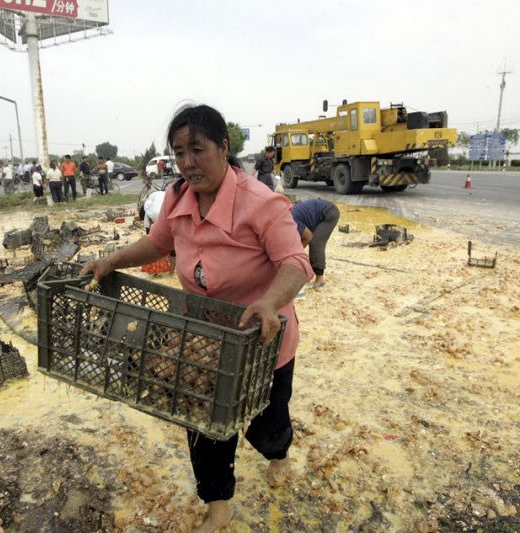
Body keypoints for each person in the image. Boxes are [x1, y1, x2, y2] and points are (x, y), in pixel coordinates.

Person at [81, 104, 313, 531]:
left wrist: (269, 302)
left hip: (261, 338)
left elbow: (296, 262)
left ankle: (277, 453)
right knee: (203, 423)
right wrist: (111, 260)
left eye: (198, 150)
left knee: (266, 423)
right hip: (202, 337)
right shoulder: (177, 198)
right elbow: (158, 244)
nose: (188, 162)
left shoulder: (261, 202)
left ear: (223, 148)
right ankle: (218, 507)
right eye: (179, 152)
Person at [290, 198, 340, 288]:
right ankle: (308, 273)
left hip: (329, 212)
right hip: (317, 212)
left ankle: (320, 279)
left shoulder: (291, 220)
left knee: (316, 242)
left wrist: (297, 252)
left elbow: (308, 236)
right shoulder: (286, 220)